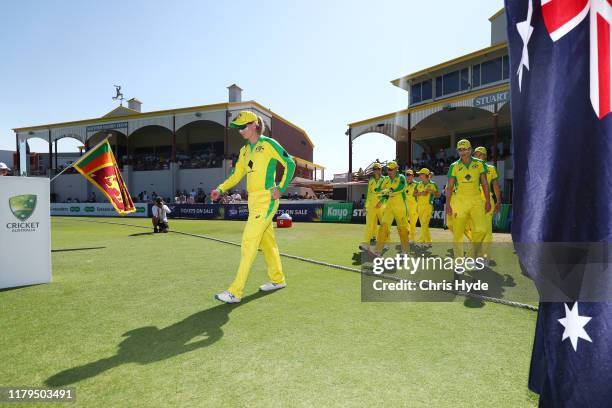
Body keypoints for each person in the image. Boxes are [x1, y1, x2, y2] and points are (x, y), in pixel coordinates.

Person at [210, 110, 296, 304]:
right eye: (238, 128)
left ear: (254, 125)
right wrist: (220, 188)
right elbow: (236, 174)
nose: (240, 131)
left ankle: (235, 291)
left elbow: (290, 163)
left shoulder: (268, 144)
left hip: (266, 200)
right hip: (253, 201)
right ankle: (278, 279)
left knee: (249, 241)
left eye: (243, 127)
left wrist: (280, 188)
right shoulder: (244, 151)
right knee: (267, 243)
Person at [445, 139, 491, 258]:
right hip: (460, 201)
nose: (463, 152)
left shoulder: (479, 164)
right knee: (458, 234)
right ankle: (458, 262)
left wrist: (487, 201)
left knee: (481, 230)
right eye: (460, 150)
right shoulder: (453, 166)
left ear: (470, 150)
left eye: (465, 149)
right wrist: (448, 204)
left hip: (476, 200)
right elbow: (449, 187)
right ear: (458, 151)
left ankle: (470, 257)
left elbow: (485, 184)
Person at [372, 161, 409, 255]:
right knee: (383, 226)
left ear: (396, 169)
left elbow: (400, 188)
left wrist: (388, 191)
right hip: (389, 206)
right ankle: (378, 251)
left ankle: (405, 251)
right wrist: (381, 200)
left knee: (402, 229)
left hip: (400, 206)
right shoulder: (386, 179)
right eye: (388, 169)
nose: (389, 171)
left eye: (391, 169)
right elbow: (378, 190)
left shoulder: (401, 177)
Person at [473, 146, 502, 260]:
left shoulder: (491, 169)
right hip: (473, 202)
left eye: (480, 154)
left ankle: (485, 257)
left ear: (485, 156)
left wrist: (498, 201)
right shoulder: (471, 168)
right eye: (476, 154)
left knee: (487, 230)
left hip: (487, 201)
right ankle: (477, 254)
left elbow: (496, 186)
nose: (478, 156)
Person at [359, 162, 386, 251]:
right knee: (369, 225)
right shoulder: (371, 180)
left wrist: (381, 202)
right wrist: (365, 206)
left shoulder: (385, 180)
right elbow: (369, 194)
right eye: (374, 169)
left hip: (381, 206)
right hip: (371, 206)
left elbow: (387, 193)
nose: (376, 171)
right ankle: (366, 243)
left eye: (377, 169)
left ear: (380, 170)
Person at [414, 168, 440, 247]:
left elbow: (438, 195)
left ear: (425, 175)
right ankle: (428, 242)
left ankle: (423, 241)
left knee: (424, 224)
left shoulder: (433, 184)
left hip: (428, 206)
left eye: (421, 174)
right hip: (419, 206)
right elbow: (414, 194)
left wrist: (431, 191)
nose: (419, 175)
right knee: (423, 225)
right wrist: (422, 193)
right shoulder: (418, 184)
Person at [404, 169, 420, 244]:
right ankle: (408, 236)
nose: (408, 177)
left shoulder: (417, 184)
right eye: (407, 175)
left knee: (413, 223)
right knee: (405, 223)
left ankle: (412, 239)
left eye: (409, 175)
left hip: (414, 207)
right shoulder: (404, 184)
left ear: (413, 176)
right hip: (406, 207)